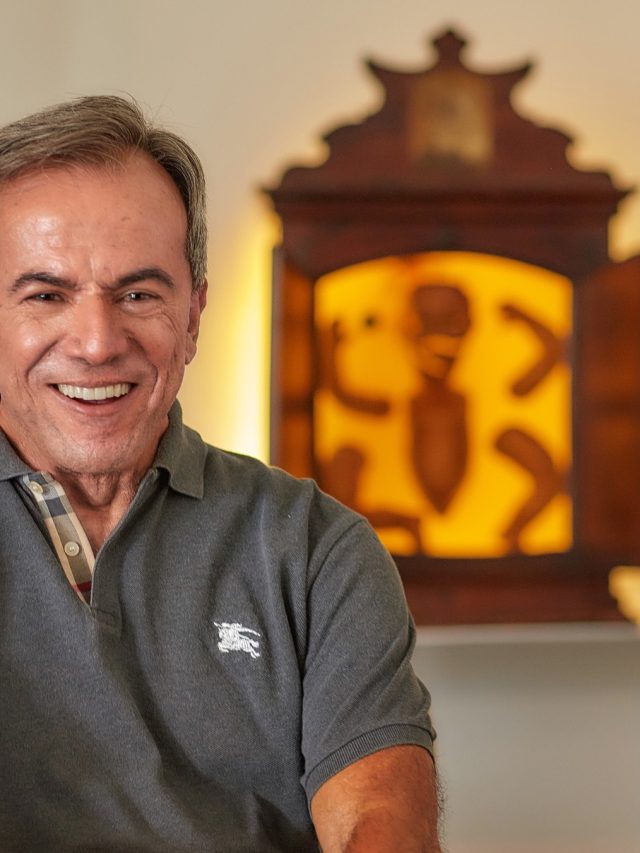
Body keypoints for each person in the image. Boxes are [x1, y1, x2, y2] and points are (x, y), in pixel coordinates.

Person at [0, 95, 441, 852]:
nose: (97, 342)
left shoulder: (315, 548)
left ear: (194, 315)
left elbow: (381, 818)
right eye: (46, 295)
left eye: (139, 294)